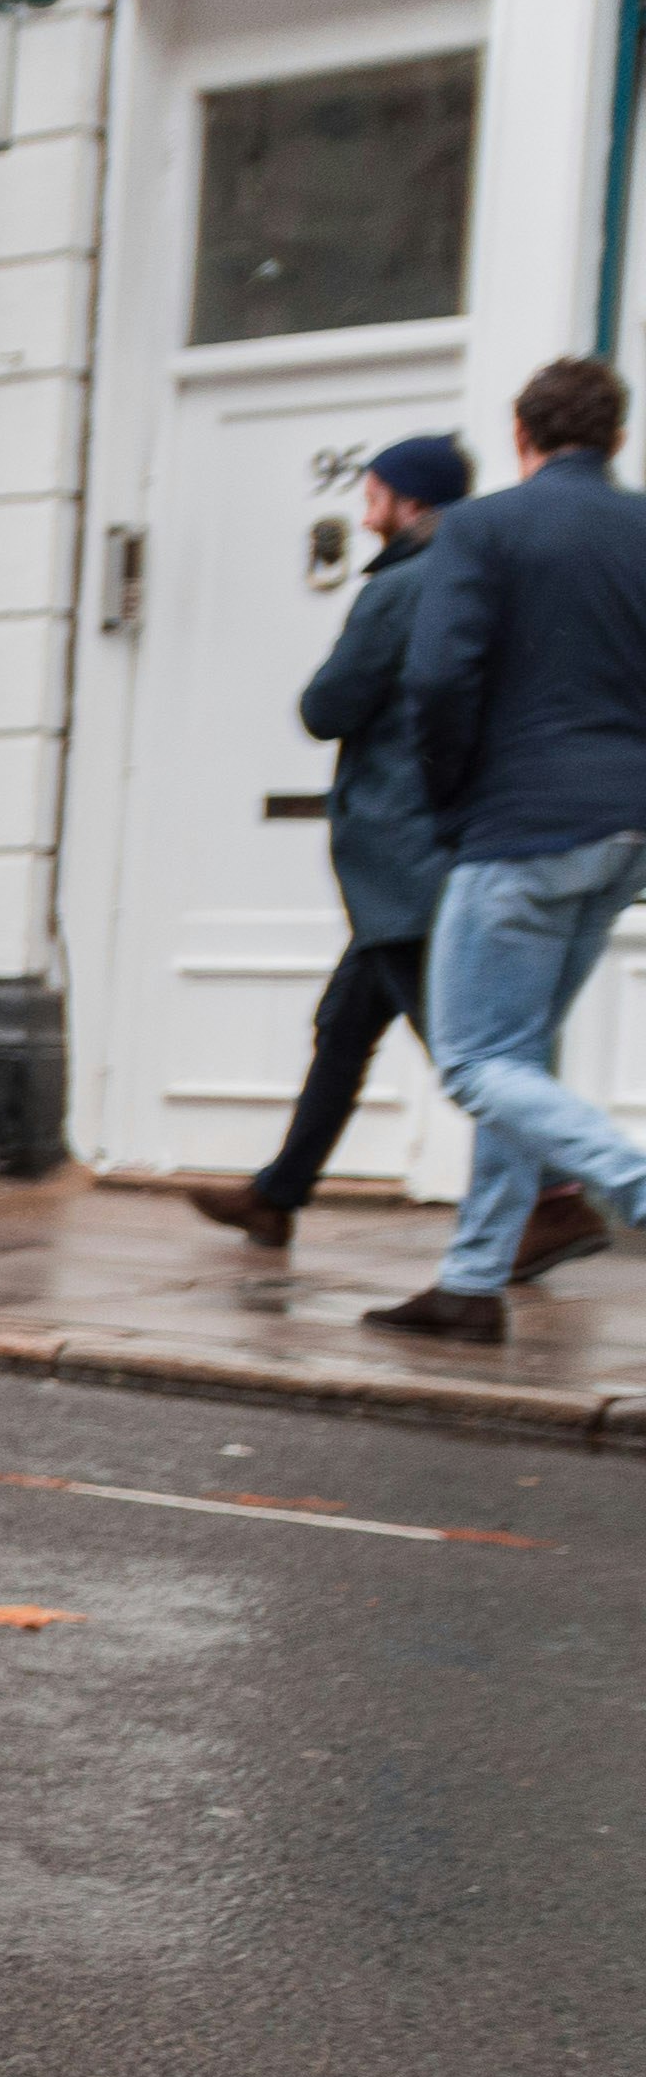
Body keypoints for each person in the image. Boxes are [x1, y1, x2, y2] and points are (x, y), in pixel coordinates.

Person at [367, 356, 646, 1341]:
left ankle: (632, 1182)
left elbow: (438, 681)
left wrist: (450, 805)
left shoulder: (482, 526)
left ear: (523, 437)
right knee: (518, 1055)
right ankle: (471, 1282)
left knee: (477, 1059)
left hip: (519, 828)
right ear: (613, 438)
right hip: (625, 836)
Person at [187, 436, 509, 1251]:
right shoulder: (483, 574)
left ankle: (560, 1196)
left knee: (466, 1050)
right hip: (436, 847)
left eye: (374, 496)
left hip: (402, 853)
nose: (364, 514)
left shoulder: (400, 588)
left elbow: (329, 706)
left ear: (409, 502)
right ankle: (279, 1191)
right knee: (346, 1024)